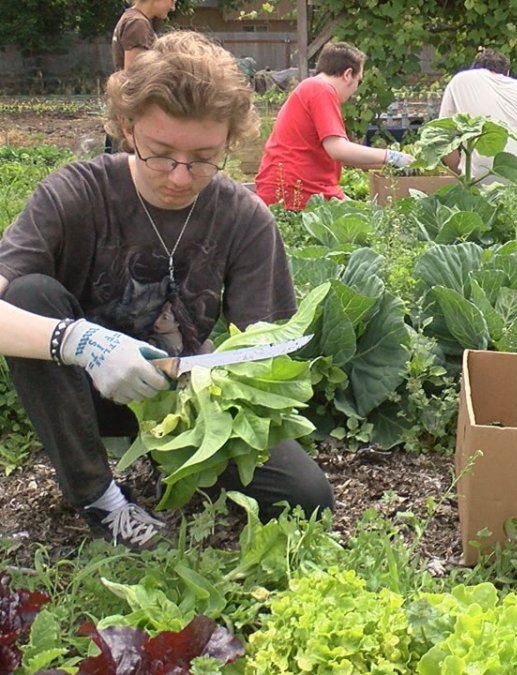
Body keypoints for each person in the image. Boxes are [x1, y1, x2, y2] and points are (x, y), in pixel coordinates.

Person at [0, 31, 333, 550]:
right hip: (82, 388)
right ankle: (100, 498)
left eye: (202, 158)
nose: (180, 177)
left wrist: (215, 400)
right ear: (129, 129)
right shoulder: (74, 194)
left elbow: (264, 353)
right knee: (29, 294)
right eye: (160, 154)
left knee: (307, 498)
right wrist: (82, 342)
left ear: (229, 141)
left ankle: (173, 461)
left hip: (185, 391)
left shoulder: (245, 219)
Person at [254, 42, 414, 210]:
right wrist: (391, 157)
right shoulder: (321, 90)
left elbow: (342, 156)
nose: (355, 90)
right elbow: (338, 150)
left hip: (290, 190)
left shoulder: (311, 87)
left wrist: (389, 164)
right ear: (347, 74)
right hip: (294, 194)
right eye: (358, 81)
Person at [438, 48, 517, 185]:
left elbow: (443, 138)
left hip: (484, 178)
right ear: (506, 73)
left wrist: (461, 172)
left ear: (474, 69)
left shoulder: (461, 80)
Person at [107, 0, 175, 153]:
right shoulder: (137, 24)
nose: (173, 7)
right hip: (131, 110)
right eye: (172, 0)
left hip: (122, 106)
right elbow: (136, 76)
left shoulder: (130, 18)